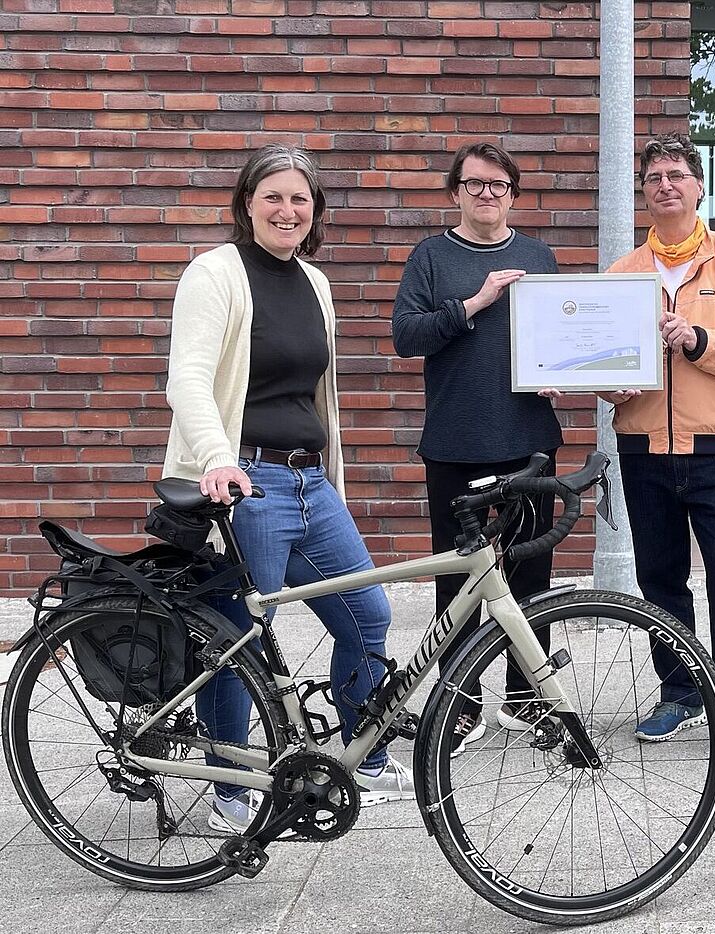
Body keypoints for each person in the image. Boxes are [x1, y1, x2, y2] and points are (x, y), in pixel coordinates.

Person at [163, 144, 411, 834]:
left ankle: (361, 754)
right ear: (247, 203)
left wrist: (331, 478)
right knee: (237, 637)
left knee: (367, 615)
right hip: (245, 479)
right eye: (272, 195)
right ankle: (231, 787)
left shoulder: (314, 281)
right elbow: (187, 378)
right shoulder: (214, 274)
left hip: (308, 481)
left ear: (315, 211)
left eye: (300, 198)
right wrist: (216, 458)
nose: (286, 209)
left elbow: (316, 390)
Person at [601, 133, 715, 764]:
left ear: (699, 186)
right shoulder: (623, 274)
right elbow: (598, 362)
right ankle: (678, 691)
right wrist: (607, 381)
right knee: (661, 579)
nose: (665, 185)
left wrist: (701, 340)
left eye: (677, 174)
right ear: (644, 192)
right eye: (654, 176)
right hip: (644, 449)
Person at [391, 142, 562, 754]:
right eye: (474, 184)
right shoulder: (432, 257)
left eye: (498, 185)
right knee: (457, 579)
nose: (486, 194)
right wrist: (474, 303)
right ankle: (459, 706)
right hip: (455, 441)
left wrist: (563, 370)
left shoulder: (538, 254)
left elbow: (562, 331)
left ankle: (528, 697)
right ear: (455, 192)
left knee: (530, 572)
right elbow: (405, 337)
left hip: (529, 439)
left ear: (513, 194)